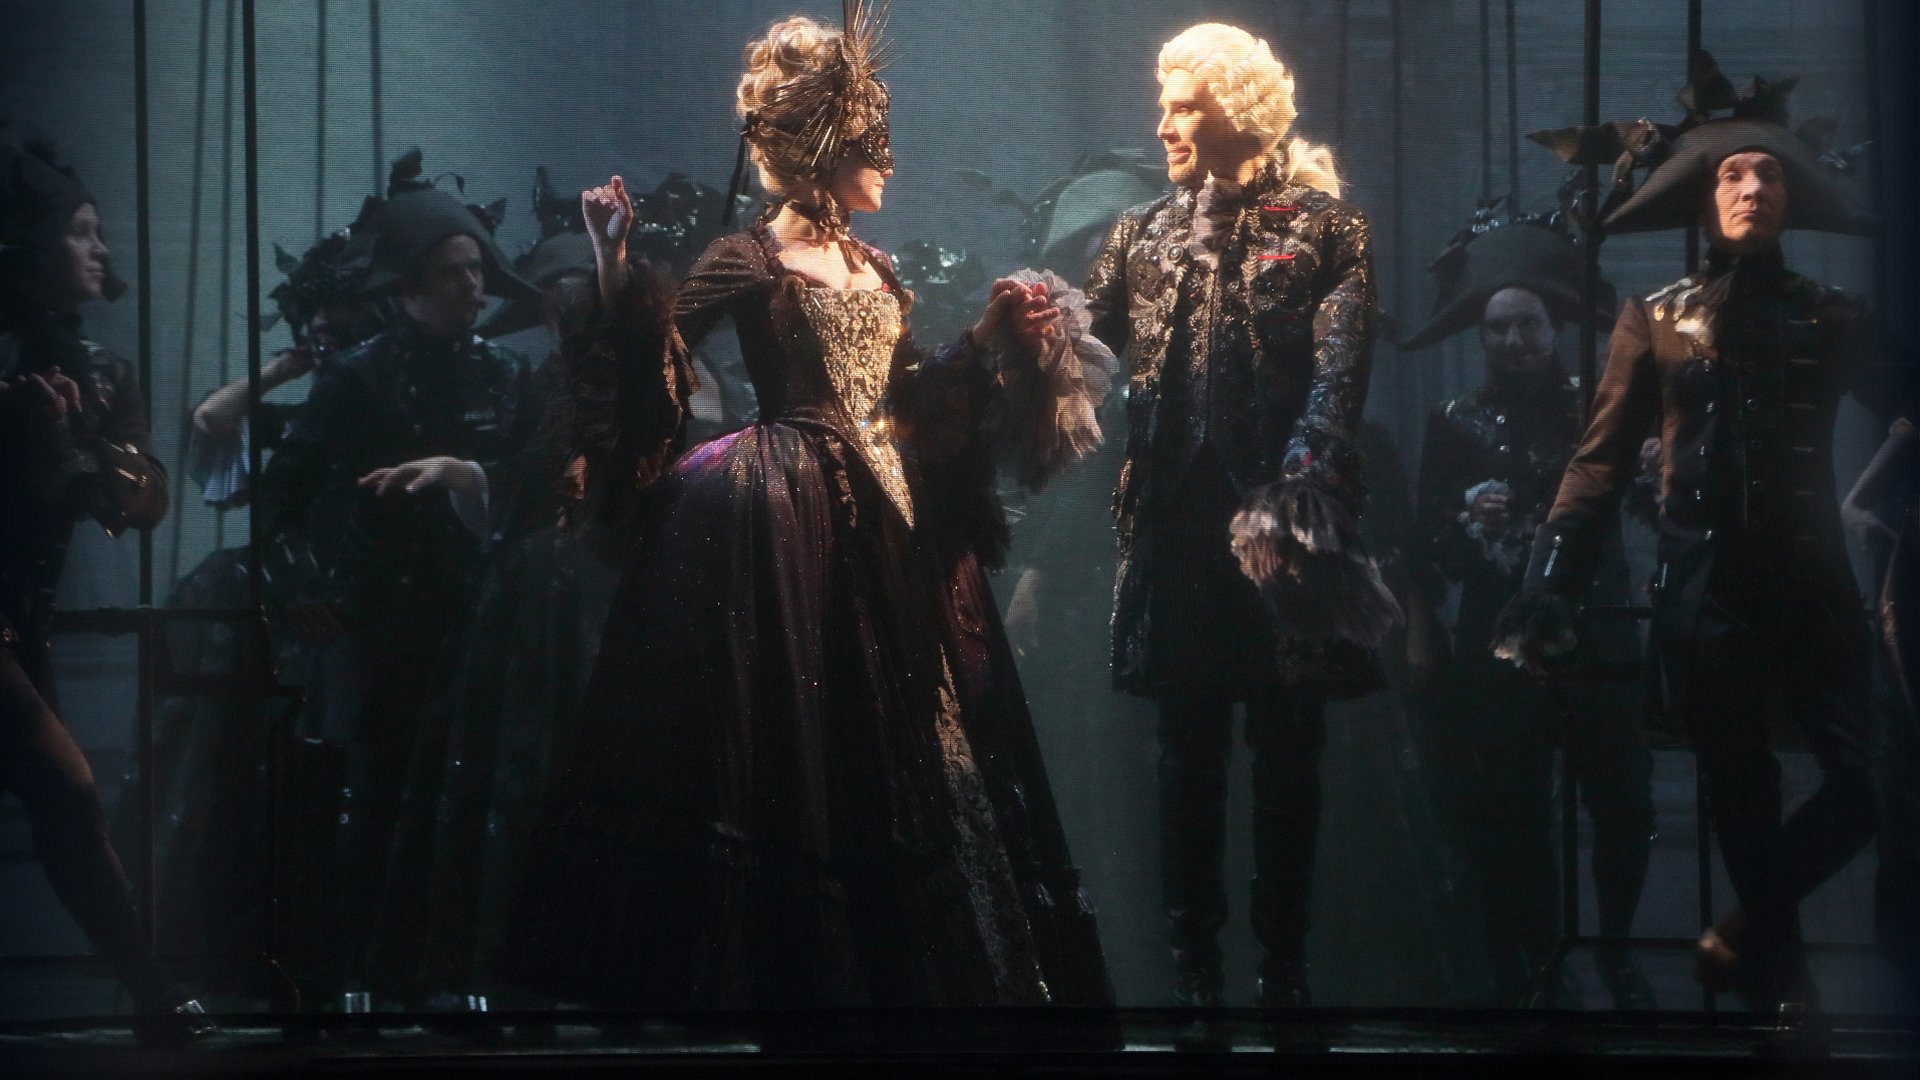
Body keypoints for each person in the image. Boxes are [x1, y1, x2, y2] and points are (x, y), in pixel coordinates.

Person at [501, 7, 1117, 1018]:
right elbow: (653, 370)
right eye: (874, 141)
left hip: (895, 521)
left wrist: (987, 335)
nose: (891, 159)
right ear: (827, 147)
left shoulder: (877, 266)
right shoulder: (748, 258)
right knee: (820, 748)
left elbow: (906, 409)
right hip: (798, 519)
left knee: (928, 747)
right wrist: (613, 263)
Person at [1501, 53, 1883, 1010]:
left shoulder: (1833, 317)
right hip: (1707, 595)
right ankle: (1789, 1009)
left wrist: (1884, 499)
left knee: (1870, 780)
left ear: (1791, 197)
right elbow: (1599, 460)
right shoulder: (1658, 320)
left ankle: (1744, 932)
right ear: (1706, 198)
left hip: (1814, 585)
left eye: (1770, 174)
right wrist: (1548, 580)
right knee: (1741, 797)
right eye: (1732, 174)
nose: (1752, 188)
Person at [1084, 22, 1386, 1010]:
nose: (1164, 124)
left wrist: (1296, 493)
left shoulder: (1330, 230)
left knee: (1290, 748)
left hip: (1283, 533)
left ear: (1236, 113)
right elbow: (1082, 355)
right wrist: (1027, 336)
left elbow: (1340, 375)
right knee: (1187, 749)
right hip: (1175, 530)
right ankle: (1195, 966)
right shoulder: (1138, 233)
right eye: (1164, 105)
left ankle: (1283, 965)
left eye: (1184, 106)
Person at [253, 149, 540, 999]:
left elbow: (533, 488)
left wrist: (468, 480)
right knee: (372, 798)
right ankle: (361, 985)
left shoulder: (509, 374)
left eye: (477, 270)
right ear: (410, 283)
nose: (471, 287)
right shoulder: (357, 375)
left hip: (473, 617)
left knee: (468, 798)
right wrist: (301, 587)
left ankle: (459, 978)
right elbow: (282, 496)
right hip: (375, 618)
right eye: (452, 272)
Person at [1403, 210, 1655, 1008]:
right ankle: (1540, 961)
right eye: (1498, 329)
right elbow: (1426, 544)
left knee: (1624, 801)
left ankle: (1616, 950)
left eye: (1528, 326)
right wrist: (1466, 519)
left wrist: (1655, 469)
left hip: (1600, 626)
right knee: (1515, 806)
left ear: (1555, 328)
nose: (1513, 342)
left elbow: (1649, 507)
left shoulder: (1601, 411)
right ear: (1481, 335)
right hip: (1500, 637)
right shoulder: (1455, 422)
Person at [0, 133, 206, 1034]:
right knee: (66, 788)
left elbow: (145, 500)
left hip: (21, 618)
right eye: (81, 232)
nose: (100, 249)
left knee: (65, 803)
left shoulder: (99, 373)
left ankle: (151, 993)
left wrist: (73, 446)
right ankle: (153, 992)